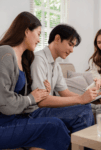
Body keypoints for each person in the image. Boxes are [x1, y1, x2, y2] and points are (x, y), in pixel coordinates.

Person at [0, 12, 73, 150]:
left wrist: (43, 93)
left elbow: (22, 97)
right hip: (3, 125)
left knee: (56, 127)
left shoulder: (24, 58)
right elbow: (5, 103)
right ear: (27, 31)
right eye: (38, 34)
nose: (39, 40)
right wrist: (31, 98)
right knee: (54, 125)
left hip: (15, 119)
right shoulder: (5, 52)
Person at [30, 24, 101, 150]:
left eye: (73, 46)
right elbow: (41, 101)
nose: (72, 50)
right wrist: (80, 99)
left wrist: (88, 98)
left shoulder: (56, 65)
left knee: (86, 106)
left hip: (45, 109)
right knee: (82, 112)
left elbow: (65, 93)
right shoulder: (38, 60)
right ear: (57, 39)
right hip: (34, 113)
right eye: (70, 44)